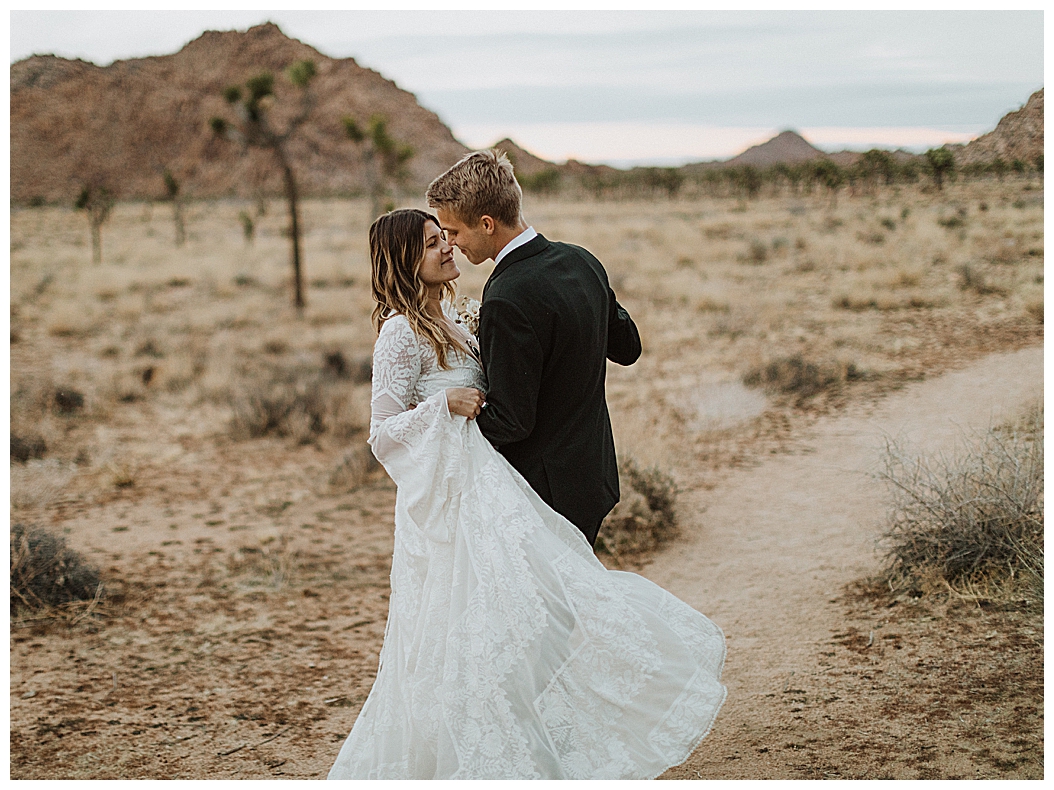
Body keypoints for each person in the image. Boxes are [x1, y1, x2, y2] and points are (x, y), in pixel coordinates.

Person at [327, 208, 725, 780]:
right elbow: (381, 433)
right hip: (454, 504)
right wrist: (442, 406)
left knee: (521, 617)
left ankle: (514, 742)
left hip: (494, 489)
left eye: (447, 237)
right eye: (433, 243)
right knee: (465, 626)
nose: (447, 249)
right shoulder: (399, 333)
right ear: (402, 260)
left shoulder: (460, 320)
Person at [425, 149, 640, 546]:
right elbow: (628, 347)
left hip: (545, 496)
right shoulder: (583, 261)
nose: (450, 243)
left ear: (486, 224)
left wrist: (441, 426)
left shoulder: (506, 296)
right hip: (593, 475)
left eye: (453, 231)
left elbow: (511, 420)